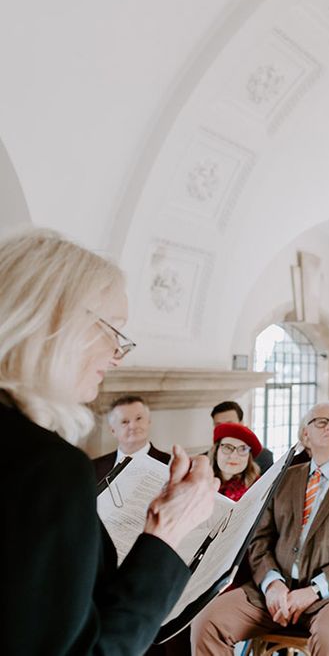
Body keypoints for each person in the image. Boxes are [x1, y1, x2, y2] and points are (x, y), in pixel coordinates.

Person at [0, 228, 219, 654]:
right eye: (113, 330)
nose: (119, 354)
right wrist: (167, 531)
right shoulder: (45, 468)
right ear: (57, 322)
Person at [191, 401, 329, 655]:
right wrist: (271, 582)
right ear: (305, 435)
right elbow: (258, 539)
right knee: (207, 622)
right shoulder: (284, 478)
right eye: (321, 421)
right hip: (269, 593)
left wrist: (314, 590)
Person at [92, 394, 171, 481]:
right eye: (125, 421)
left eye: (138, 418)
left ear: (149, 421)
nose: (133, 426)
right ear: (113, 431)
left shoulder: (169, 463)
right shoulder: (94, 467)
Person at [211, 400, 274, 472]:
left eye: (230, 425)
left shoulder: (263, 457)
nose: (225, 430)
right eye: (219, 426)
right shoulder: (206, 460)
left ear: (241, 424)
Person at [212, 422, 262, 502]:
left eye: (243, 449)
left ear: (249, 457)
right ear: (215, 452)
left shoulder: (260, 487)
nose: (233, 456)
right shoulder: (200, 482)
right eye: (227, 447)